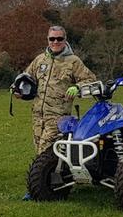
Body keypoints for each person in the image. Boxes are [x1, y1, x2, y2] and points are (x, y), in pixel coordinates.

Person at [20, 25, 95, 154]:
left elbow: (91, 80)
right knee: (40, 152)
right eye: (52, 39)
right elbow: (26, 77)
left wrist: (77, 87)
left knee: (45, 151)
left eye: (59, 39)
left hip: (58, 117)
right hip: (38, 116)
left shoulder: (73, 61)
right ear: (48, 39)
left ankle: (44, 173)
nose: (55, 42)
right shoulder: (40, 59)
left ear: (65, 40)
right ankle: (54, 173)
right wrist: (16, 88)